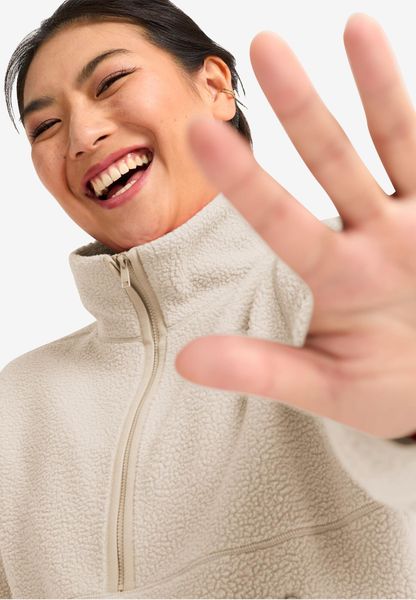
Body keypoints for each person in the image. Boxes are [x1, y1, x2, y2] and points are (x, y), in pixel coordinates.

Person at [1, 0, 416, 597]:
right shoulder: (18, 406)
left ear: (216, 86)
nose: (82, 136)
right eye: (45, 127)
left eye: (111, 82)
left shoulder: (339, 291)